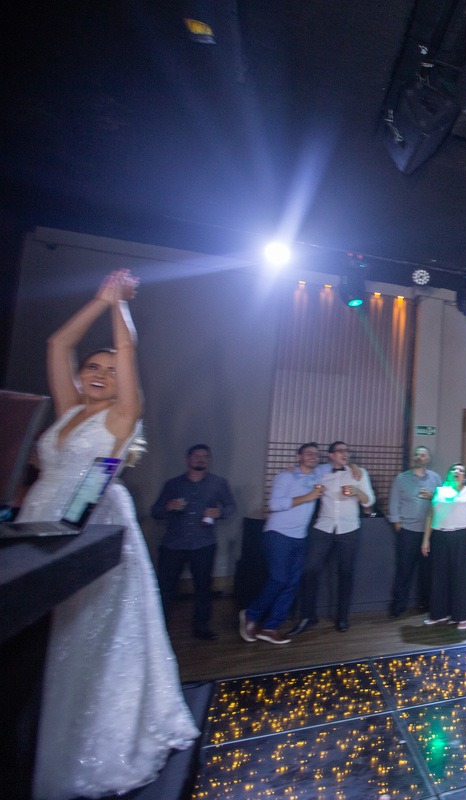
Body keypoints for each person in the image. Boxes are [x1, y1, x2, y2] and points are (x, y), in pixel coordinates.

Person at [18, 270, 198, 799]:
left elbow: (128, 350)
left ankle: (85, 738)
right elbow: (58, 343)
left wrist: (119, 305)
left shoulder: (121, 418)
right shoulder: (69, 412)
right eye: (92, 367)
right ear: (79, 378)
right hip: (38, 519)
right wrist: (98, 299)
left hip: (92, 524)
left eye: (111, 370)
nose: (100, 373)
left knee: (85, 634)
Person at [240, 442, 328, 645]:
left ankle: (270, 627)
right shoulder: (285, 477)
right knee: (278, 579)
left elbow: (334, 464)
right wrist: (308, 496)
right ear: (298, 457)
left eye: (315, 454)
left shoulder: (317, 476)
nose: (313, 456)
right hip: (278, 534)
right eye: (308, 453)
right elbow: (275, 504)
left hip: (300, 537)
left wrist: (354, 467)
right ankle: (251, 615)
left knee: (292, 583)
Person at [151, 444, 236, 640]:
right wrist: (168, 506)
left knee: (203, 588)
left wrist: (220, 512)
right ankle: (158, 630)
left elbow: (231, 506)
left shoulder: (218, 483)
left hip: (203, 543)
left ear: (209, 460)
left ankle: (202, 627)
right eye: (197, 456)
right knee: (165, 588)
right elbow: (155, 512)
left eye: (205, 456)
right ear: (187, 459)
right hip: (173, 544)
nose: (201, 459)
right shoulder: (173, 484)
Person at [291, 442, 374, 634]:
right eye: (340, 451)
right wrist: (291, 470)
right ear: (330, 455)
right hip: (323, 527)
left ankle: (343, 618)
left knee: (346, 573)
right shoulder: (321, 472)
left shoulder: (358, 473)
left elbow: (369, 501)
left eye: (347, 451)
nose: (345, 454)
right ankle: (308, 616)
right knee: (310, 570)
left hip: (349, 528)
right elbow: (304, 473)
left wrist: (357, 491)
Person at [422, 463, 466, 629]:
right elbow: (430, 516)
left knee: (462, 577)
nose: (457, 472)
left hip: (462, 536)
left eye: (461, 470)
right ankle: (439, 613)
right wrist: (426, 539)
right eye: (454, 469)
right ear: (449, 473)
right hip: (440, 536)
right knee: (439, 576)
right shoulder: (439, 491)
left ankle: (463, 616)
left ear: (464, 476)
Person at [386, 445, 440, 617]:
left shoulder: (435, 478)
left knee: (427, 571)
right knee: (404, 570)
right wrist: (398, 525)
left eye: (422, 455)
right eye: (417, 454)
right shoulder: (402, 478)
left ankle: (425, 604)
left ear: (428, 459)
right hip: (408, 531)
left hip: (429, 533)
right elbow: (394, 502)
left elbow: (443, 501)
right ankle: (398, 605)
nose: (419, 456)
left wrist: (431, 496)